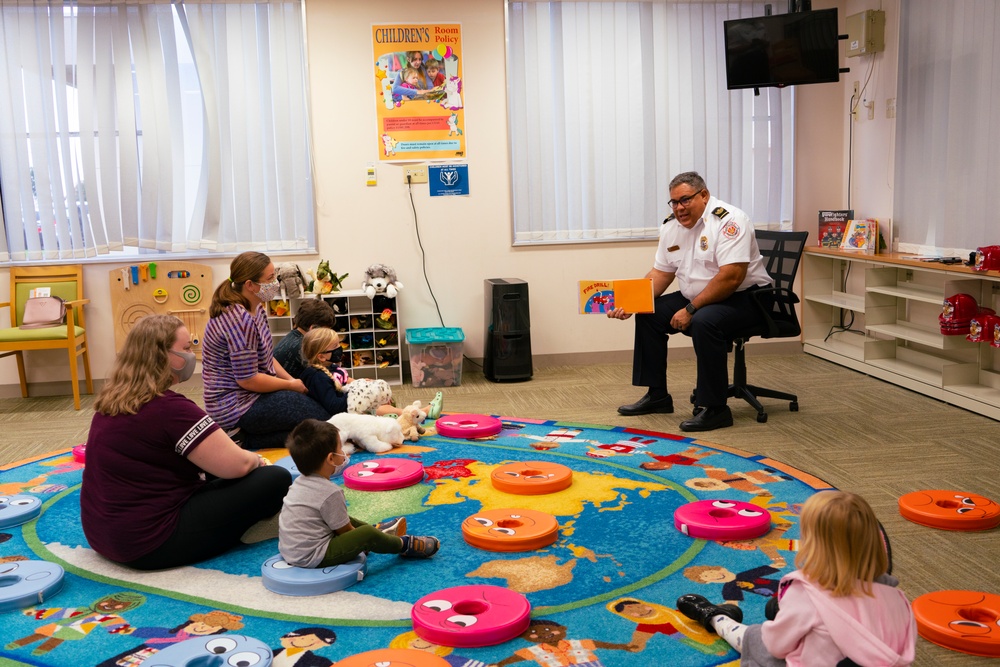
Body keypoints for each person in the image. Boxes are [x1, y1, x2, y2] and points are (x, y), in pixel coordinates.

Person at [80, 315, 292, 570]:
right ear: (162, 356)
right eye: (187, 349)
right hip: (152, 543)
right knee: (275, 478)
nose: (192, 355)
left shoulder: (111, 401)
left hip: (104, 536)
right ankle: (251, 527)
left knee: (216, 470)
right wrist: (255, 461)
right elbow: (237, 466)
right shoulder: (171, 410)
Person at [608, 171, 773, 432]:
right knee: (649, 314)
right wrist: (631, 302)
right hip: (697, 297)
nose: (679, 208)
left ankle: (716, 408)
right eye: (674, 202)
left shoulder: (730, 221)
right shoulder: (671, 227)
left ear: (704, 195)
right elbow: (661, 273)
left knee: (704, 322)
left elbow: (731, 278)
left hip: (746, 299)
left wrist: (691, 308)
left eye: (685, 200)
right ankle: (658, 396)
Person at [675, 491, 916, 667]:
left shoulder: (806, 593)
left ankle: (715, 617)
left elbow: (775, 645)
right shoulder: (898, 599)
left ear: (814, 546)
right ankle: (780, 610)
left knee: (758, 639)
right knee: (788, 617)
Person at [202, 251, 330, 449]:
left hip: (253, 393)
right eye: (270, 279)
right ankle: (240, 438)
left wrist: (292, 381)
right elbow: (247, 379)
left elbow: (267, 357)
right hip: (235, 405)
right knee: (322, 425)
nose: (276, 284)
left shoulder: (257, 308)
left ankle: (246, 436)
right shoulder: (238, 320)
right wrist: (290, 386)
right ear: (250, 285)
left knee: (312, 417)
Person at [278, 419, 440, 568]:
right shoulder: (330, 493)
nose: (343, 452)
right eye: (340, 448)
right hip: (312, 556)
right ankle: (403, 545)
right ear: (331, 459)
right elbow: (345, 532)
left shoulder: (299, 483)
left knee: (347, 519)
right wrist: (365, 540)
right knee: (366, 534)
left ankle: (378, 532)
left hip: (291, 550)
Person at [273, 298, 339, 379]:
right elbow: (326, 378)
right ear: (313, 328)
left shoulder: (294, 337)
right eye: (326, 331)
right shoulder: (303, 348)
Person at [299, 327, 351, 416]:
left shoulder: (331, 366)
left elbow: (345, 380)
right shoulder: (318, 378)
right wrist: (356, 393)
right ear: (321, 357)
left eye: (339, 343)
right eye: (335, 346)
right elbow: (335, 407)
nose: (339, 348)